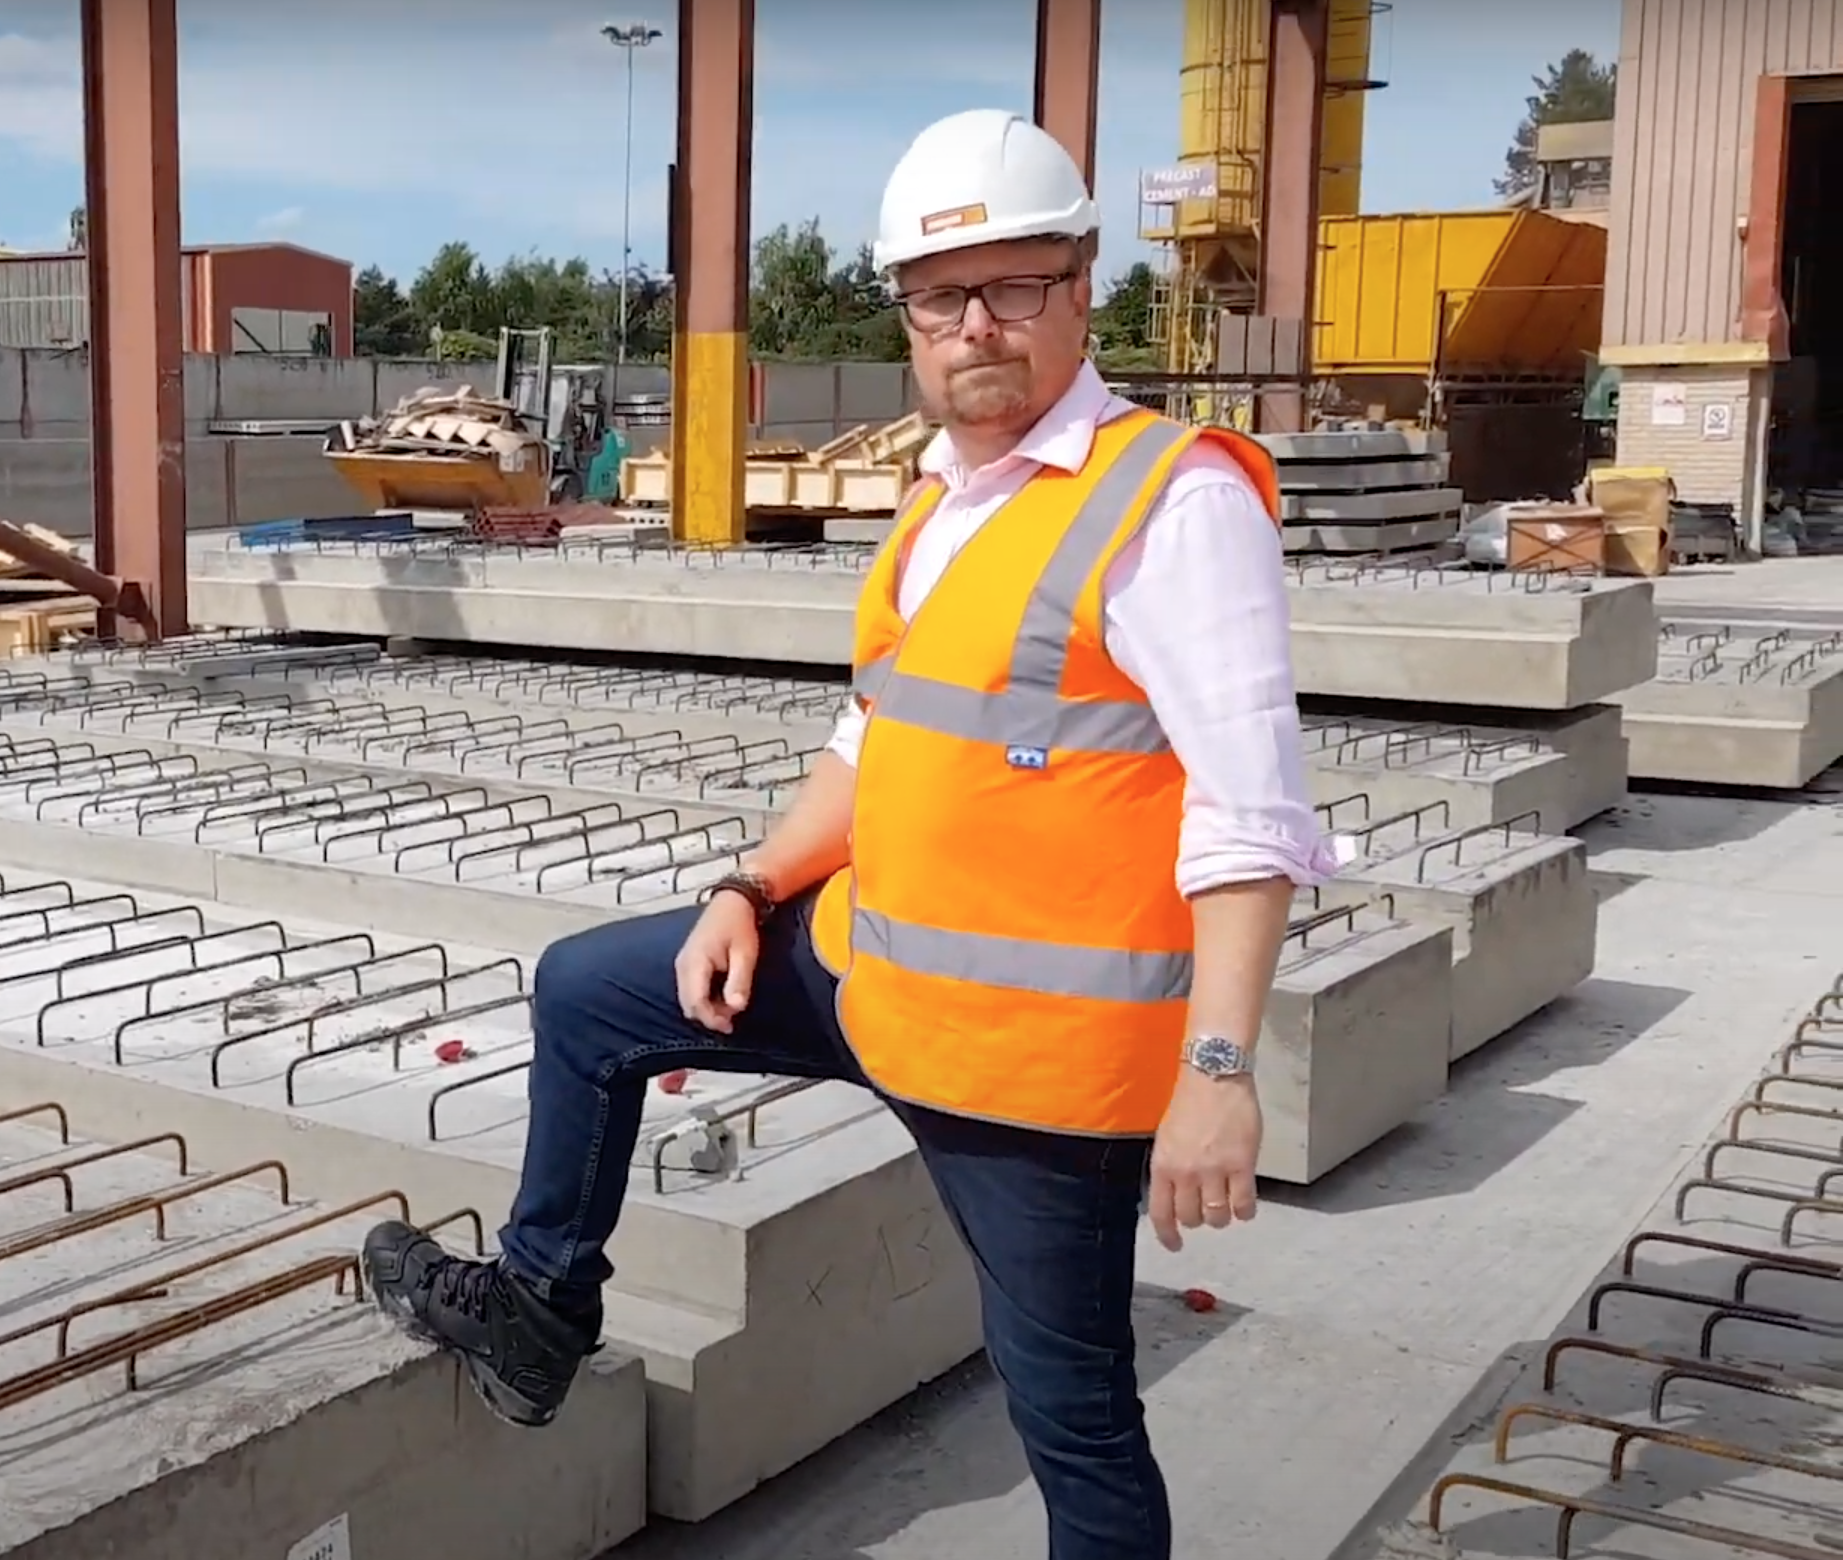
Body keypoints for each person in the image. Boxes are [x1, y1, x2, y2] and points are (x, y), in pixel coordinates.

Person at [359, 106, 1338, 1558]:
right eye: (942, 298)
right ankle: (538, 1312)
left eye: (1015, 286)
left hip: (1033, 1070)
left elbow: (1252, 813)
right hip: (873, 977)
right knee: (589, 992)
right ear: (908, 318)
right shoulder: (941, 499)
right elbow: (875, 741)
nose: (976, 326)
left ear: (1082, 284)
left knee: (1072, 1417)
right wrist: (748, 887)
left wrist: (1218, 1070)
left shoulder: (1173, 504)